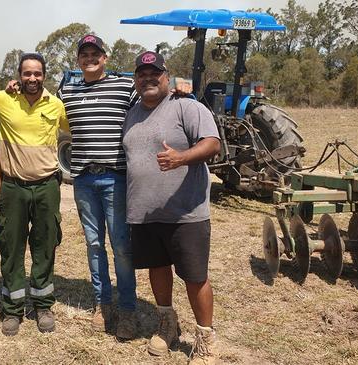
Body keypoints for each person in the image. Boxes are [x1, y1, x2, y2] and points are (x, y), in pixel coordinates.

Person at [122, 51, 221, 364]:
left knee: (195, 277)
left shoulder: (187, 106)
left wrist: (182, 157)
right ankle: (168, 324)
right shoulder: (132, 112)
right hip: (145, 212)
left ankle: (206, 339)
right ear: (135, 80)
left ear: (167, 77)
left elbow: (212, 143)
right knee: (157, 269)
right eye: (142, 74)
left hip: (185, 213)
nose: (148, 78)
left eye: (155, 73)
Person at [56, 34, 138, 339]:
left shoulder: (123, 86)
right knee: (93, 244)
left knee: (121, 246)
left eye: (95, 53)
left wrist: (180, 88)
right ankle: (103, 305)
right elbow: (39, 102)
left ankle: (128, 309)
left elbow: (152, 104)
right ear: (78, 60)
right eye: (84, 54)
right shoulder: (67, 90)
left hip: (115, 178)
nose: (89, 58)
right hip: (84, 180)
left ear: (105, 57)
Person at [0, 53, 69, 336]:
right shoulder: (2, 99)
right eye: (27, 73)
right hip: (13, 187)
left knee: (45, 245)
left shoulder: (56, 105)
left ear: (44, 75)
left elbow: (76, 128)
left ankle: (43, 305)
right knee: (11, 246)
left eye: (37, 73)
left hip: (47, 186)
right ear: (18, 75)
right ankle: (12, 309)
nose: (32, 78)